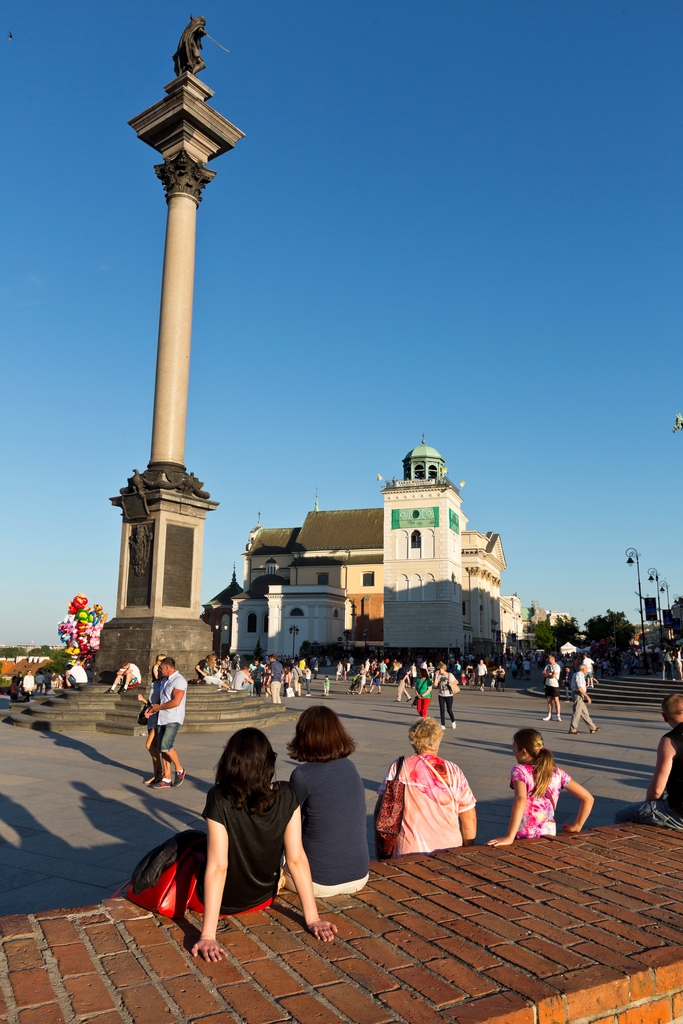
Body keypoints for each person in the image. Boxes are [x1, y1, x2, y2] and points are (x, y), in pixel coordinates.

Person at [192, 728, 337, 962]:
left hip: (226, 903)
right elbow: (296, 858)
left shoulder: (219, 799)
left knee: (188, 852)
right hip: (264, 895)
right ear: (269, 764)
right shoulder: (287, 794)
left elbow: (219, 866)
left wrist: (208, 934)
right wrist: (312, 918)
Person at [285, 706, 369, 896]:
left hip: (318, 880)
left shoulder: (302, 775)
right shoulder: (350, 766)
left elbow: (288, 825)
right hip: (359, 876)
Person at [375, 718, 476, 857]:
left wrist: (379, 845)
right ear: (438, 740)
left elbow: (380, 810)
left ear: (413, 741)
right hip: (450, 849)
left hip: (408, 851)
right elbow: (469, 818)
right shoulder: (453, 771)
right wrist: (466, 849)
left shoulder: (398, 767)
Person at [487, 729, 594, 845]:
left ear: (523, 752)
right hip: (548, 834)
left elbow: (521, 799)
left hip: (525, 835)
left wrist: (509, 837)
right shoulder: (557, 772)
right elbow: (588, 798)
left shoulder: (519, 771)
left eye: (514, 747)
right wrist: (577, 826)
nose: (513, 751)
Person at [614, 694, 683, 830]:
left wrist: (650, 805)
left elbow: (657, 789)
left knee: (622, 815)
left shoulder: (670, 741)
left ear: (664, 717)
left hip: (679, 813)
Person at [146, 657, 187, 788]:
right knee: (162, 748)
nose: (159, 670)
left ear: (167, 668)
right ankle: (167, 778)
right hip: (162, 717)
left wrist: (159, 708)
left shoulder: (179, 680)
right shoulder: (164, 681)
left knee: (166, 745)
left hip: (173, 718)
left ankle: (180, 769)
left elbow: (176, 701)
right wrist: (153, 709)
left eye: (161, 668)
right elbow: (163, 700)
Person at [137, 654, 165, 786]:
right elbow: (152, 701)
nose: (158, 667)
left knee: (149, 745)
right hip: (151, 716)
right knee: (153, 746)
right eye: (158, 663)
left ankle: (161, 771)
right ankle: (157, 775)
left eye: (161, 664)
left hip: (158, 716)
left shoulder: (165, 683)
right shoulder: (155, 683)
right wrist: (144, 701)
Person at [569, 662, 601, 735]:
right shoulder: (579, 675)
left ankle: (592, 728)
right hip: (578, 695)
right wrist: (587, 696)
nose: (587, 670)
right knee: (577, 713)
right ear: (583, 669)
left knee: (585, 712)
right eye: (587, 668)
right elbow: (579, 688)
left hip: (578, 695)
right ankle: (572, 729)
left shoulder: (577, 674)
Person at [435, 662, 457, 730]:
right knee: (442, 710)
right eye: (438, 669)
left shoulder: (450, 675)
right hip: (441, 695)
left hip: (449, 695)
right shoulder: (439, 676)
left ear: (443, 668)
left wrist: (451, 682)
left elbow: (457, 682)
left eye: (440, 669)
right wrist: (436, 676)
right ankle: (443, 724)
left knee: (449, 710)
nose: (439, 671)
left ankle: (453, 721)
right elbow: (435, 684)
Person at [542, 655, 562, 723]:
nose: (548, 659)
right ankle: (549, 715)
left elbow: (554, 676)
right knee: (549, 700)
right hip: (548, 684)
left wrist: (548, 675)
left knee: (556, 700)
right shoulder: (547, 666)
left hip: (554, 685)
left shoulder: (557, 666)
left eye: (549, 658)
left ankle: (558, 715)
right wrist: (548, 674)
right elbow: (543, 673)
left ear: (553, 659)